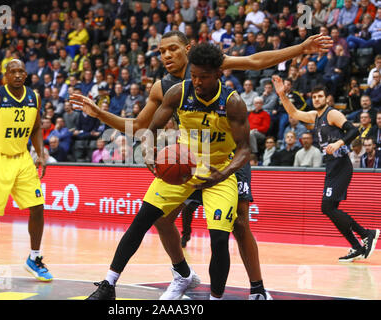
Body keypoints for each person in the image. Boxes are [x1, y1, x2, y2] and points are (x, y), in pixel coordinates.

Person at [71, 31, 332, 300]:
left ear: (188, 49)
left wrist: (301, 47)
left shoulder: (216, 65)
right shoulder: (164, 88)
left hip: (224, 158)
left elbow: (256, 61)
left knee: (239, 224)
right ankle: (181, 274)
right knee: (160, 218)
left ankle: (257, 290)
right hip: (188, 159)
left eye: (172, 48)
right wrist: (101, 115)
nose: (167, 55)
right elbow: (140, 127)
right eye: (161, 52)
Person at [88, 42, 251, 300]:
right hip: (183, 165)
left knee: (219, 240)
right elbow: (150, 129)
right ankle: (109, 285)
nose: (197, 81)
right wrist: (149, 151)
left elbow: (245, 150)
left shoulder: (232, 102)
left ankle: (216, 298)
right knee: (142, 220)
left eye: (204, 77)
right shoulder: (178, 92)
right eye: (194, 75)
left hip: (219, 173)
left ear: (219, 74)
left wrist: (224, 173)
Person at [272, 75, 380, 262]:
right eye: (314, 97)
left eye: (320, 96)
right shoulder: (315, 116)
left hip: (341, 165)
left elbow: (353, 130)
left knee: (327, 207)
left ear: (326, 98)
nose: (317, 100)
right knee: (331, 210)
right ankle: (356, 246)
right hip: (331, 166)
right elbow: (295, 113)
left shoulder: (332, 114)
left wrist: (339, 142)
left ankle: (367, 234)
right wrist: (282, 95)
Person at [0, 59, 53, 286]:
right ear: (5, 75)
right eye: (13, 71)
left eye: (21, 71)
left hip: (23, 159)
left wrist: (40, 154)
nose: (17, 75)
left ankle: (34, 258)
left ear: (26, 75)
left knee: (37, 208)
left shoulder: (34, 97)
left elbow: (36, 128)